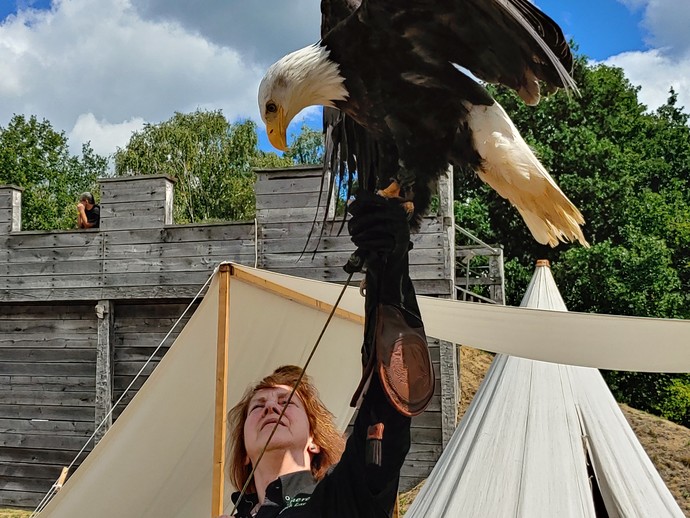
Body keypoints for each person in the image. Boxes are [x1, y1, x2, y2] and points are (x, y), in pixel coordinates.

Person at [223, 192, 434, 517]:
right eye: (258, 406)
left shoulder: (340, 500)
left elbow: (385, 412)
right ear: (245, 455)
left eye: (286, 402)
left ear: (313, 441)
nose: (270, 408)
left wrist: (388, 273)